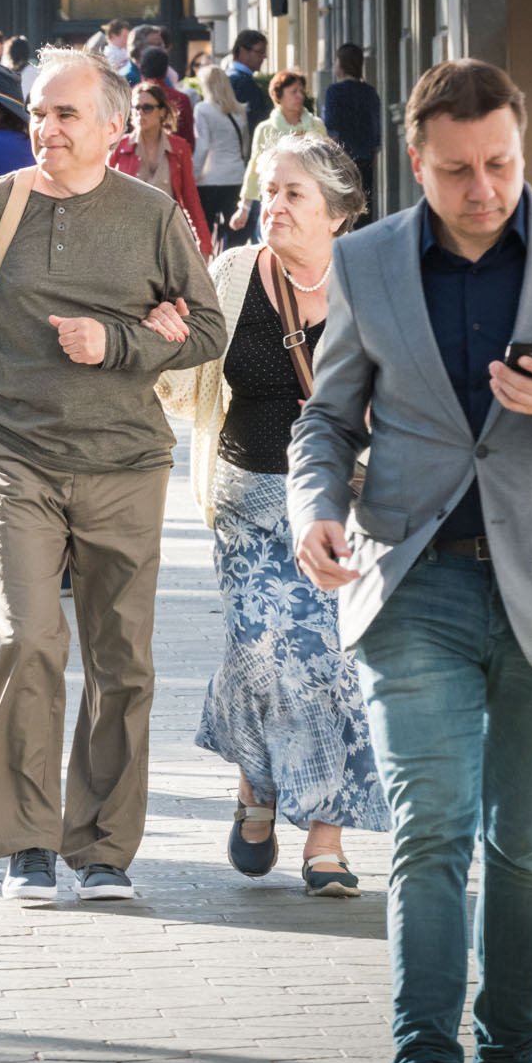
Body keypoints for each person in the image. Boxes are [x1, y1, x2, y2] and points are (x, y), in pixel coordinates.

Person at [287, 60, 532, 1063]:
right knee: (429, 829)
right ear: (416, 162)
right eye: (455, 169)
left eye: (498, 163)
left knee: (521, 844)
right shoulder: (364, 262)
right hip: (413, 583)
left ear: (519, 149)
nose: (481, 188)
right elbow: (324, 419)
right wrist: (316, 510)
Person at [0, 46, 227, 904]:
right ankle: (26, 843)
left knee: (122, 660)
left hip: (127, 463)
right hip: (19, 457)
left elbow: (207, 329)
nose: (45, 129)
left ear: (113, 127)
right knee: (29, 639)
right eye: (38, 112)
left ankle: (102, 851)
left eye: (64, 114)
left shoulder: (153, 214)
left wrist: (122, 342)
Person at [157, 133, 384, 900]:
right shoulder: (231, 273)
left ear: (338, 214)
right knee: (265, 654)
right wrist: (167, 343)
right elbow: (186, 389)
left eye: (293, 195)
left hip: (342, 508)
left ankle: (325, 835)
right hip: (246, 500)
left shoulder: (375, 285)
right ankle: (259, 783)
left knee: (332, 664)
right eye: (269, 189)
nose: (272, 206)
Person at [110, 82, 212, 258]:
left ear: (162, 112)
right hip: (128, 238)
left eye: (147, 108)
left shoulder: (179, 148)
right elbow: (105, 199)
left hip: (166, 236)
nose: (140, 113)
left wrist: (204, 243)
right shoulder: (120, 147)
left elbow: (190, 198)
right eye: (136, 108)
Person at [231, 69, 328, 241]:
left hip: (308, 202)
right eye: (293, 92)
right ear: (279, 96)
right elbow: (255, 169)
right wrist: (244, 208)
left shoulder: (316, 126)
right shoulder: (266, 129)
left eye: (301, 91)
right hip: (275, 202)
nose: (300, 96)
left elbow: (326, 166)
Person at [323, 43, 386, 226]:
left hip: (342, 158)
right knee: (364, 206)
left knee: (341, 208)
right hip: (365, 158)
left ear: (341, 64)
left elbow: (331, 127)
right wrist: (374, 150)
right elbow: (375, 125)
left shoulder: (334, 92)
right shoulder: (370, 92)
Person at [193, 64, 252, 252]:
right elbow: (244, 145)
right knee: (235, 235)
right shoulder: (239, 110)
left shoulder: (203, 109)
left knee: (204, 235)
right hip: (236, 177)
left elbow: (202, 147)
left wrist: (193, 176)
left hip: (209, 180)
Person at [135, 46, 195, 151]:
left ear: (141, 67)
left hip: (137, 157)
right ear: (166, 70)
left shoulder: (130, 97)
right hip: (172, 156)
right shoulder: (181, 98)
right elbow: (189, 141)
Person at [227, 30, 272, 135]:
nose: (264, 57)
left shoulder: (228, 76)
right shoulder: (242, 81)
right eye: (260, 52)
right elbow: (250, 122)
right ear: (243, 51)